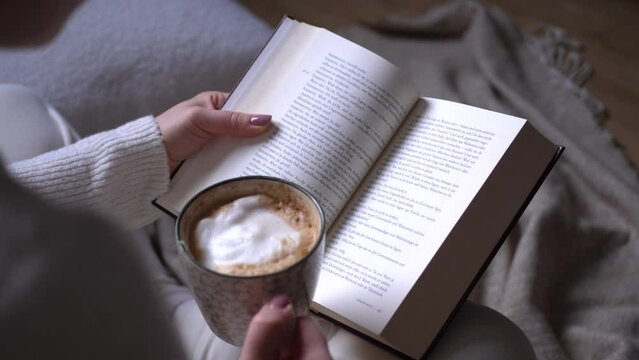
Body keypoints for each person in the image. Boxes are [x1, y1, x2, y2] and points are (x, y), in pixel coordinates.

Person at [0, 1, 536, 359]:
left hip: (128, 287)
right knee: (490, 341)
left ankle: (162, 273)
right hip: (160, 329)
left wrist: (151, 151)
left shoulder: (48, 253)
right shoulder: (42, 280)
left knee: (14, 105)